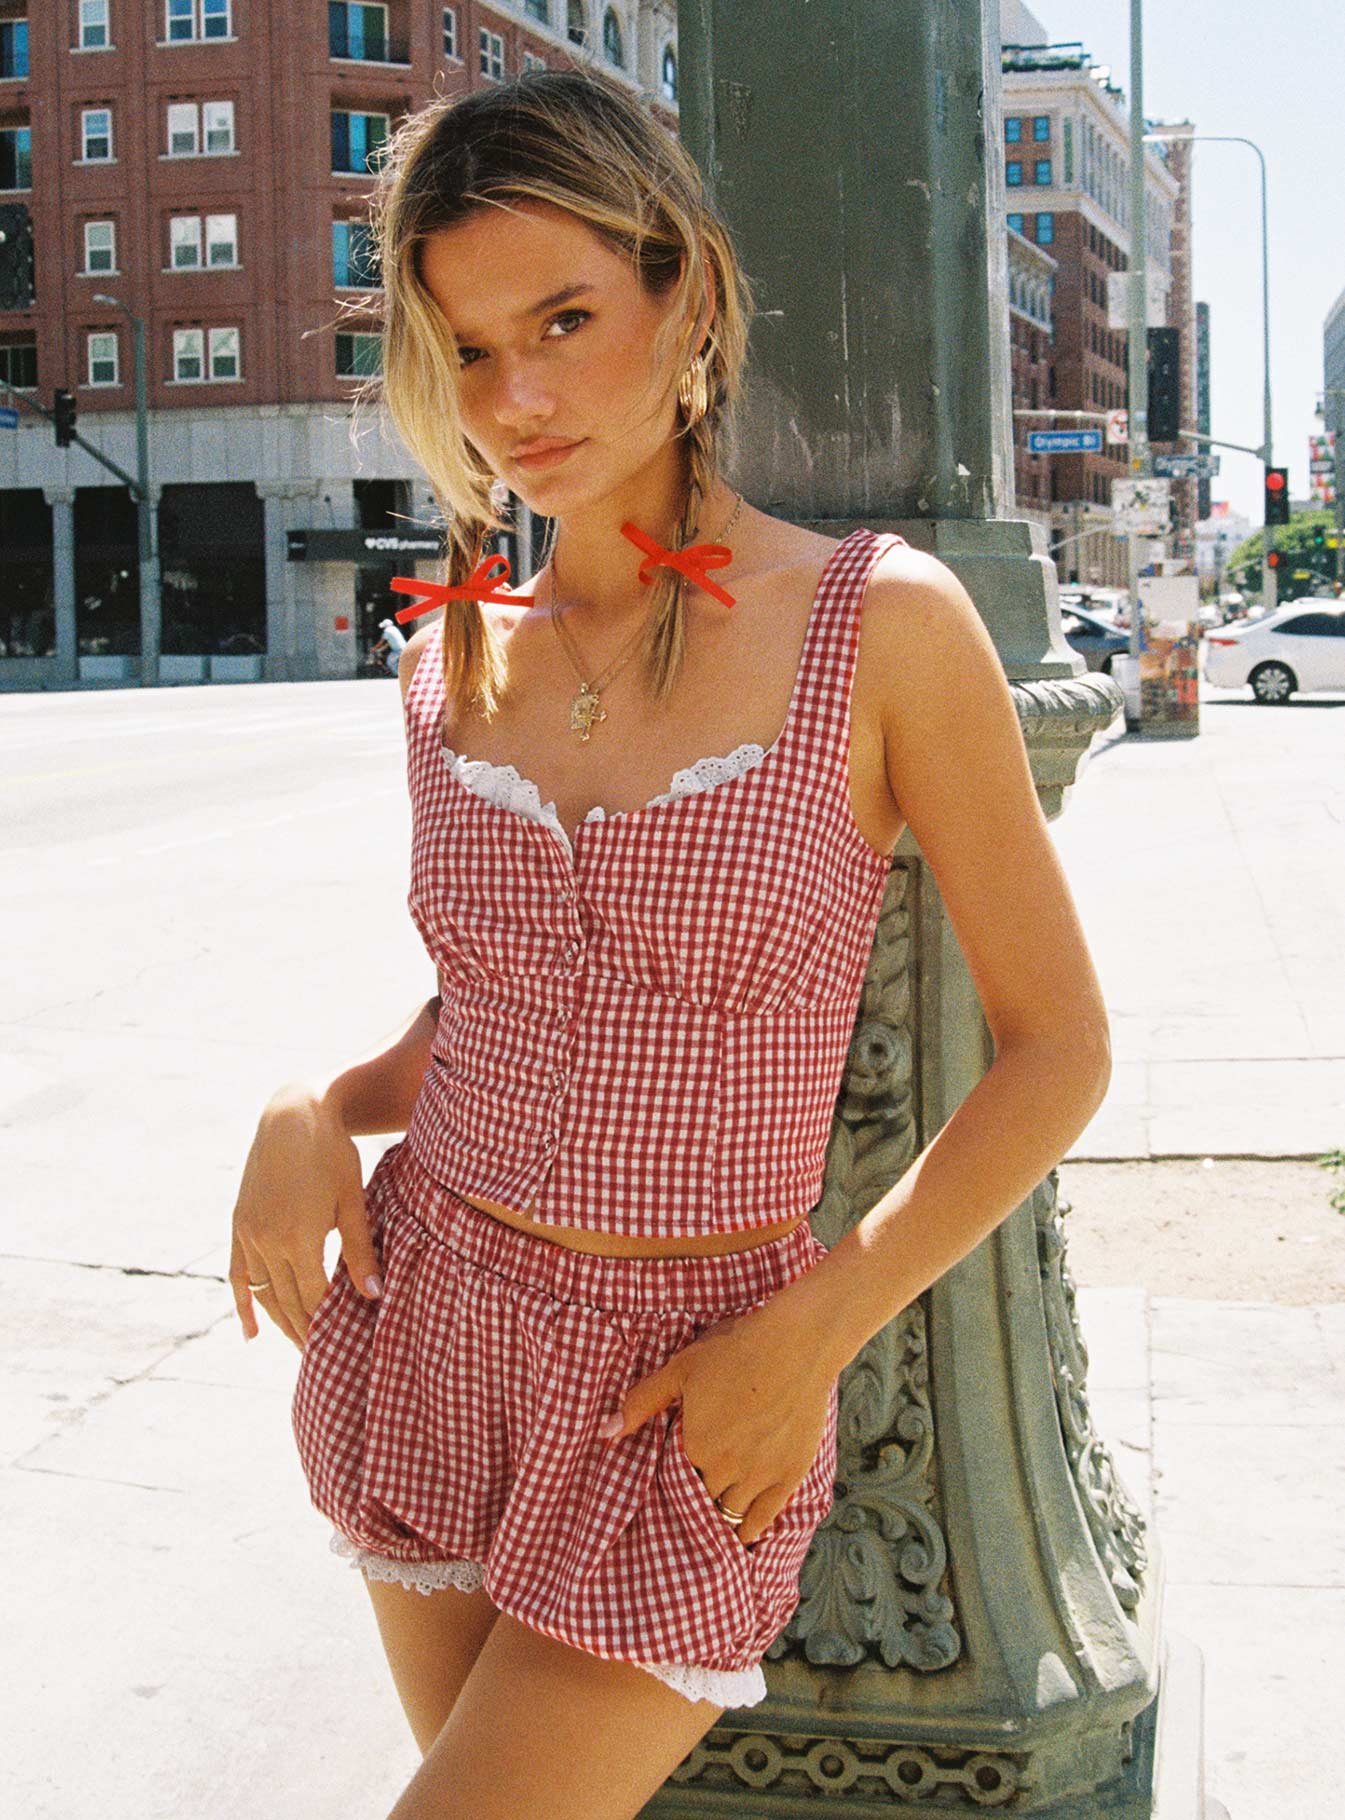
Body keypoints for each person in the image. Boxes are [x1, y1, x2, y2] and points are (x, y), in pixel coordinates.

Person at [227, 65, 1112, 1820]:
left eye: (563, 316)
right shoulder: (454, 653)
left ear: (681, 288)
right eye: (467, 348)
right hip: (429, 1327)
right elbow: (492, 1005)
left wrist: (816, 1329)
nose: (520, 396)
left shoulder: (875, 624)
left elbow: (1058, 1050)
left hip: (683, 1386)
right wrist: (313, 1104)